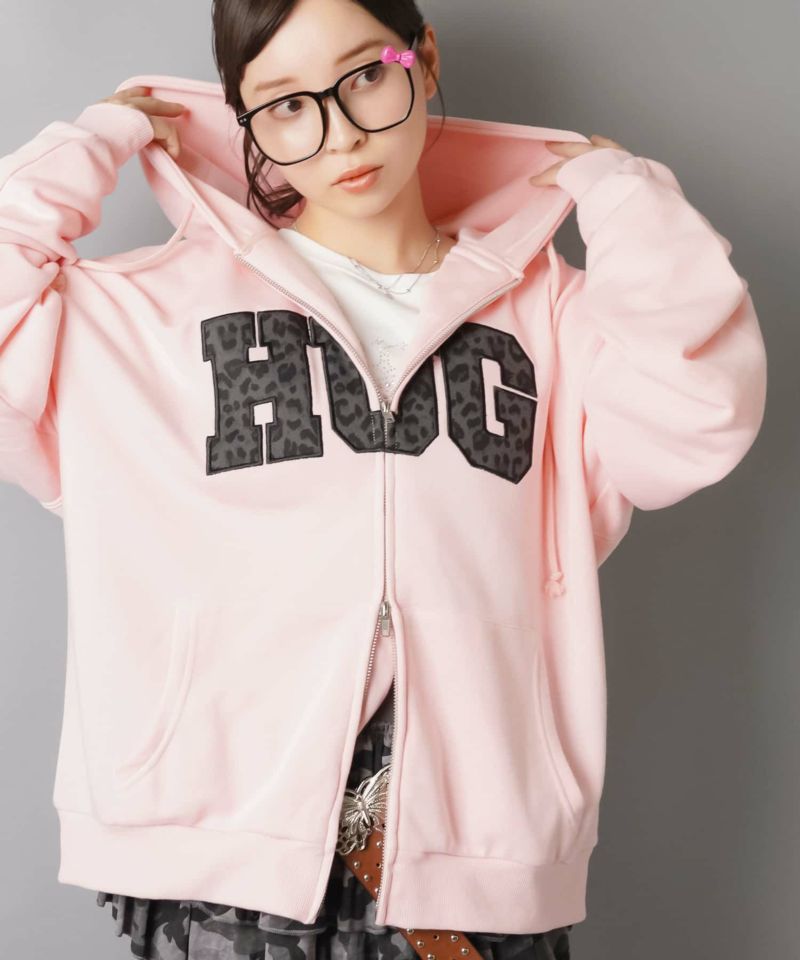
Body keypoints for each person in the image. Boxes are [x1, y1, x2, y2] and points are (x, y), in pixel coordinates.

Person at [0, 0, 766, 957]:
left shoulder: (552, 317)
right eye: (287, 104)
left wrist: (621, 194)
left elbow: (700, 414)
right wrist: (92, 143)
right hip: (217, 860)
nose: (340, 134)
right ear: (243, 118)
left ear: (423, 59)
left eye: (365, 75)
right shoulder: (143, 316)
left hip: (474, 864)